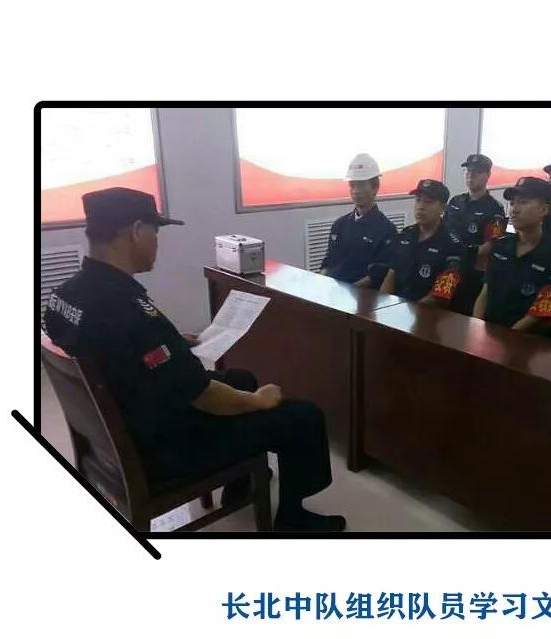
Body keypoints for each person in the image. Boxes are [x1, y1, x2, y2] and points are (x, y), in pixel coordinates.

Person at [43, 187, 346, 532]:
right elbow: (205, 397)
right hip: (162, 450)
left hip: (119, 428)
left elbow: (119, 347)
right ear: (137, 231)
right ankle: (294, 520)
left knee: (241, 377)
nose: (157, 243)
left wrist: (171, 343)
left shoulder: (65, 295)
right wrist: (259, 401)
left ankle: (240, 484)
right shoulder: (128, 309)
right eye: (156, 232)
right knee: (301, 416)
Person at [473, 177, 551, 333]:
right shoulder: (501, 246)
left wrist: (508, 336)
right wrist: (477, 328)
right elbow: (485, 293)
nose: (514, 209)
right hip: (487, 332)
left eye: (523, 202)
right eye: (513, 203)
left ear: (544, 210)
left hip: (526, 339)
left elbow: (543, 310)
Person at [377, 179, 466, 305]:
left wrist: (409, 311)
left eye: (428, 202)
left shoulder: (453, 245)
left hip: (428, 311)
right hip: (395, 308)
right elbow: (391, 275)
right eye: (418, 200)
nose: (421, 207)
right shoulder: (405, 235)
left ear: (443, 208)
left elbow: (442, 293)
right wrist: (383, 305)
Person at [319, 153, 397, 288]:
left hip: (362, 296)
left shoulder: (387, 230)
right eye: (352, 185)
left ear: (375, 187)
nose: (355, 191)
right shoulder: (339, 225)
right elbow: (328, 262)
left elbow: (377, 275)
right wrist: (321, 284)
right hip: (334, 291)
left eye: (360, 185)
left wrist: (349, 291)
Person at [443, 153, 507, 312]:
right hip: (446, 265)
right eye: (468, 171)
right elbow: (443, 230)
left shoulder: (494, 208)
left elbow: (491, 244)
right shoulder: (455, 201)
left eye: (476, 172)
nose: (470, 175)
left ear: (487, 175)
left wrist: (463, 254)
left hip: (471, 271)